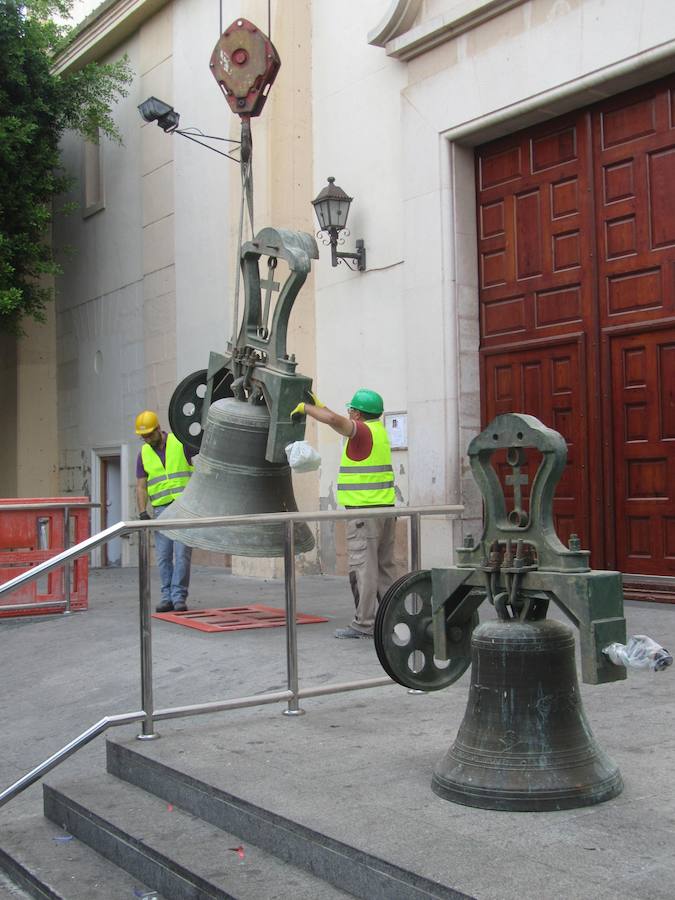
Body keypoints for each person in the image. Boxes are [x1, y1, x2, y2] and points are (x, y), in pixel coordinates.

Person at [291, 389, 398, 638]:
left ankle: (364, 624)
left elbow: (334, 421)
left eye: (351, 410)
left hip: (364, 516)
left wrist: (306, 409)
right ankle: (391, 618)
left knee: (364, 569)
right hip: (385, 511)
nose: (348, 412)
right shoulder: (378, 431)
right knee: (384, 569)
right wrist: (321, 404)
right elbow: (337, 418)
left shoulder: (360, 431)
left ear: (358, 414)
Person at [135, 410, 196, 613]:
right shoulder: (143, 453)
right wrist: (142, 511)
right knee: (163, 555)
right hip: (161, 510)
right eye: (142, 436)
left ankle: (178, 597)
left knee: (182, 555)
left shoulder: (180, 443)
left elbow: (196, 471)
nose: (146, 439)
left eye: (148, 435)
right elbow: (141, 486)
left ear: (158, 429)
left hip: (183, 507)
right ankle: (166, 597)